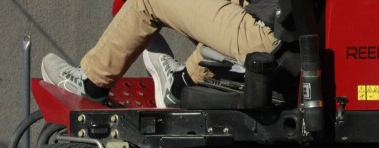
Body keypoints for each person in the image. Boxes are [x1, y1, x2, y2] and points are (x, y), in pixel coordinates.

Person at [42, 0, 281, 108]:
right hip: (288, 41)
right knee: (229, 10)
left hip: (263, 36)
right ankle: (180, 85)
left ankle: (91, 82)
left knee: (147, 1)